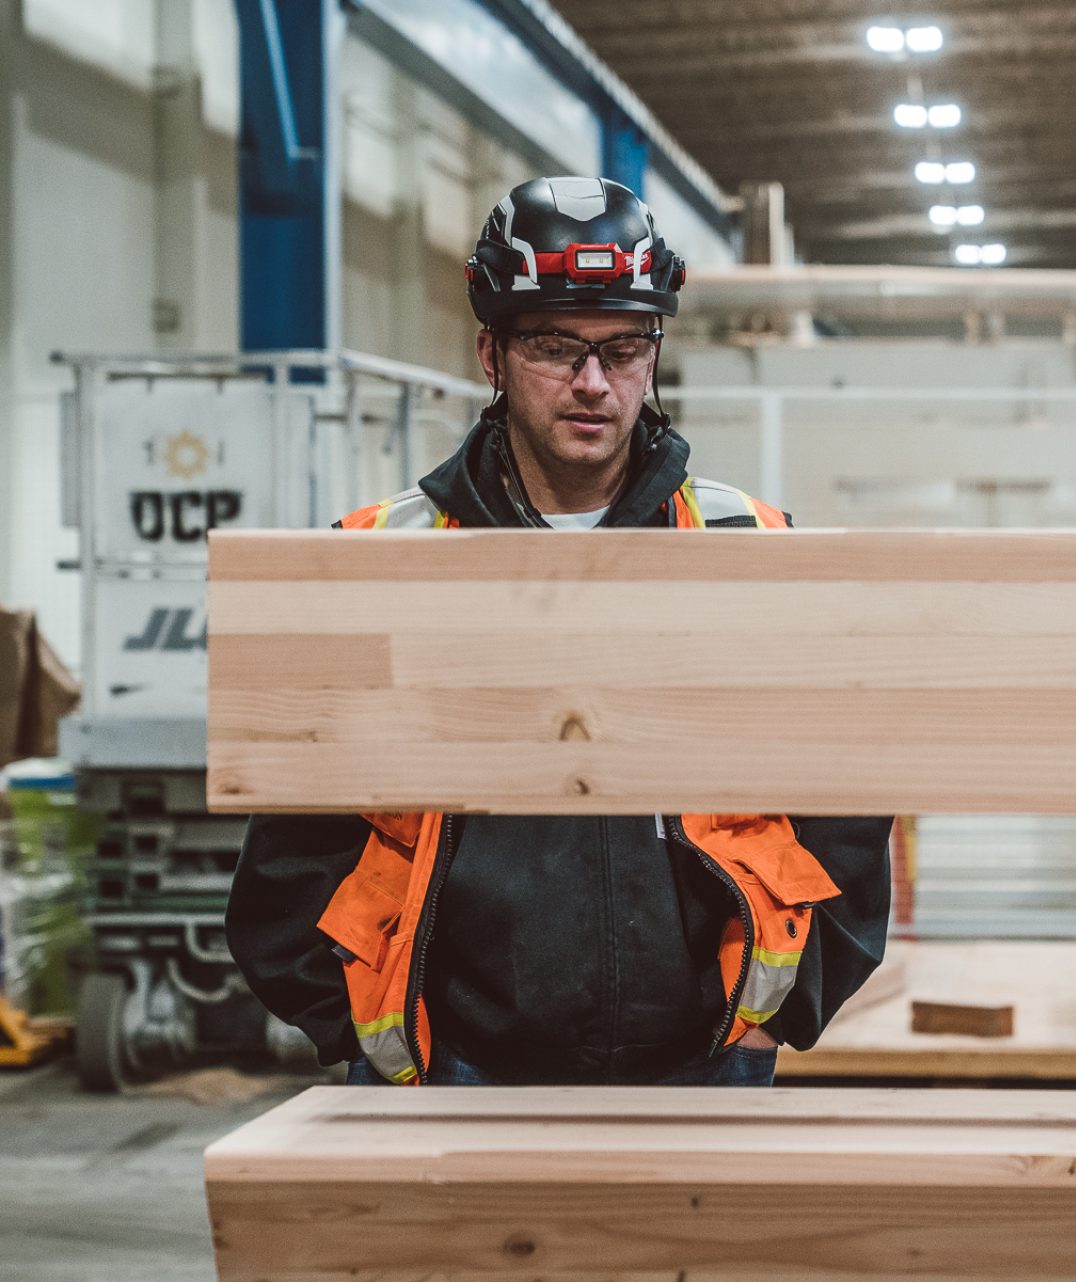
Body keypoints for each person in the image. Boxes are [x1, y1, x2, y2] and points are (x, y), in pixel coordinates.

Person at [227, 176, 893, 1087]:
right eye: (553, 347)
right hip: (443, 1068)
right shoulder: (380, 562)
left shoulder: (748, 552)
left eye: (623, 348)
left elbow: (848, 805)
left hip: (706, 1060)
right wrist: (348, 1028)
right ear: (491, 355)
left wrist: (780, 1015)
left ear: (654, 355)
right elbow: (294, 843)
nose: (592, 383)